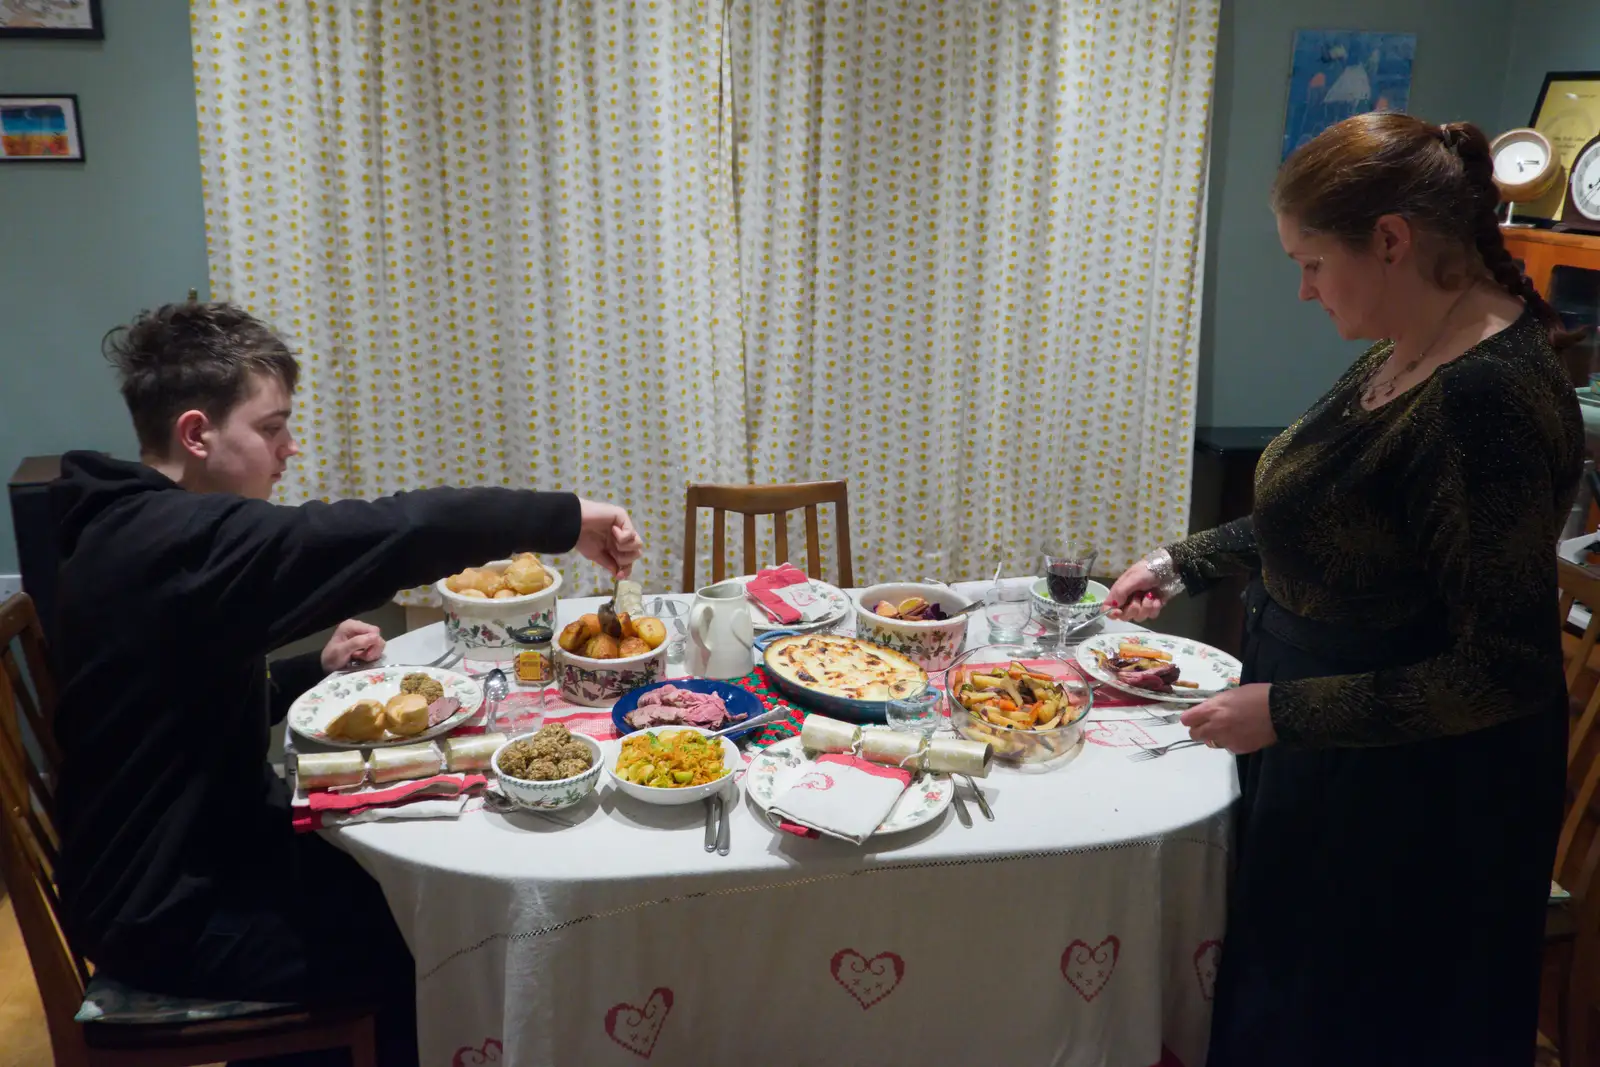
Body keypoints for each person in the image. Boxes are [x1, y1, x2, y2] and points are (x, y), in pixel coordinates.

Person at [49, 301, 644, 1066]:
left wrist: (305, 668)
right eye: (271, 429)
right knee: (442, 937)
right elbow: (388, 530)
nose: (288, 449)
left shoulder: (139, 532)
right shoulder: (171, 543)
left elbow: (164, 706)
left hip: (205, 851)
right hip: (169, 906)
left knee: (414, 866)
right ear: (197, 434)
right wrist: (565, 517)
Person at [1108, 113, 1584, 1066]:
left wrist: (1287, 712)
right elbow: (1319, 514)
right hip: (1332, 753)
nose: (1303, 288)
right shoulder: (1403, 344)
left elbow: (1504, 671)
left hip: (1415, 808)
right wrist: (1180, 561)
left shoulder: (1485, 399)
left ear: (1393, 241)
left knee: (1350, 1028)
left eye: (1313, 262)